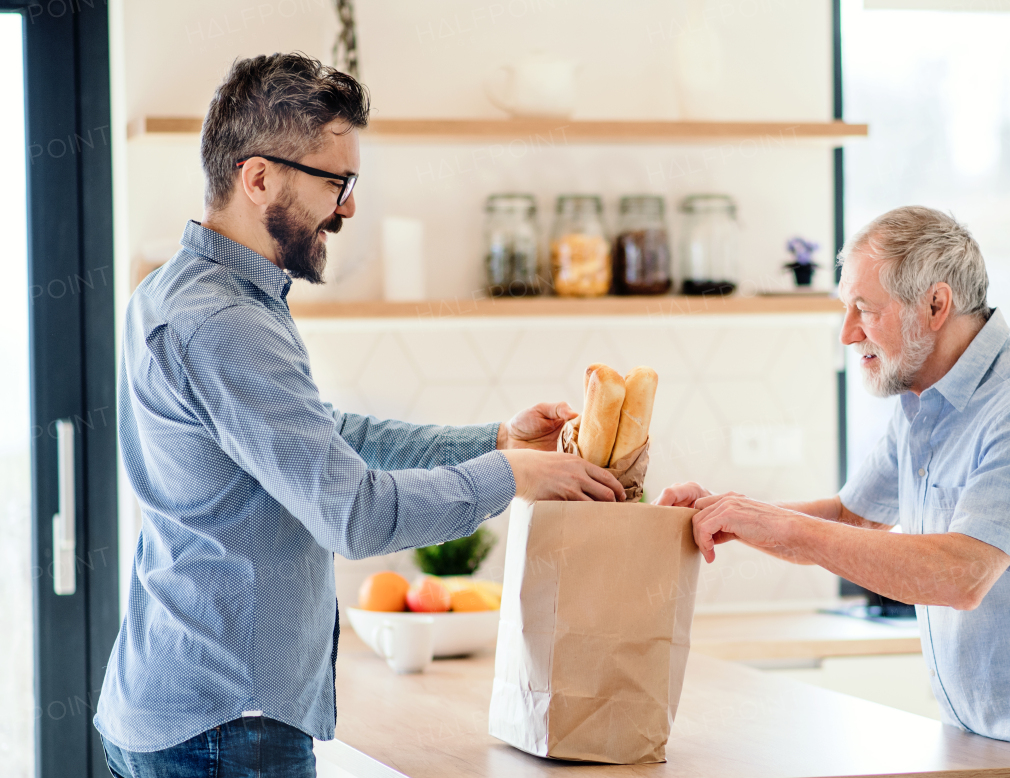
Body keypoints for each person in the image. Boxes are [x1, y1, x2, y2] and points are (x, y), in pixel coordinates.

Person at [94, 53, 623, 777]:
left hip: (177, 703)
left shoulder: (181, 291)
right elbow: (356, 515)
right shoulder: (226, 322)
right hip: (225, 725)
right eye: (335, 182)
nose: (346, 207)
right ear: (258, 178)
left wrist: (496, 438)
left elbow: (325, 437)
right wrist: (511, 475)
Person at [658, 206, 1010, 778]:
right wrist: (728, 513)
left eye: (863, 309)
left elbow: (961, 575)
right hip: (980, 747)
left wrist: (772, 523)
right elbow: (852, 517)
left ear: (936, 306)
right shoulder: (922, 400)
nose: (847, 333)